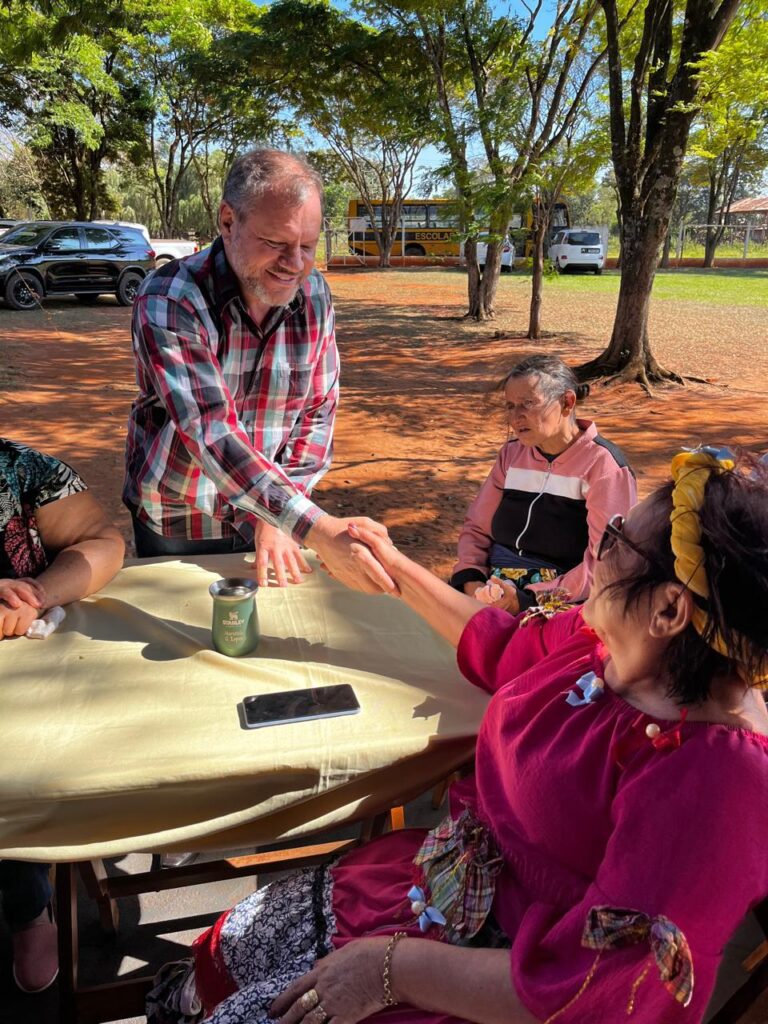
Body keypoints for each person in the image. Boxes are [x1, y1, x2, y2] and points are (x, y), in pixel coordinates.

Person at [146, 447, 768, 1024]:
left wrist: (390, 969)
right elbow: (501, 646)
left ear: (667, 611)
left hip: (486, 983)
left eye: (616, 538)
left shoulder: (714, 784)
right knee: (234, 944)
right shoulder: (604, 646)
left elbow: (596, 990)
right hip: (435, 887)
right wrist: (396, 568)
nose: (595, 551)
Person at [124, 148, 391, 595]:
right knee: (183, 639)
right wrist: (308, 524)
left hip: (283, 512)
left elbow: (318, 411)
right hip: (182, 513)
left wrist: (283, 514)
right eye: (276, 243)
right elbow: (211, 432)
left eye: (308, 245)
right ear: (228, 221)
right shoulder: (171, 297)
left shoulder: (314, 294)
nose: (296, 264)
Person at [0, 436, 125, 993]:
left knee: (15, 772)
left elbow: (101, 543)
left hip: (32, 687)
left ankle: (29, 909)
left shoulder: (24, 472)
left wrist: (37, 590)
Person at [449, 355, 636, 614]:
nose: (516, 417)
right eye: (510, 405)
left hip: (557, 600)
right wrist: (472, 582)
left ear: (567, 403)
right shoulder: (512, 455)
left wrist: (528, 599)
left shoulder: (603, 467)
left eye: (528, 403)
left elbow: (606, 563)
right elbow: (477, 528)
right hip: (492, 587)